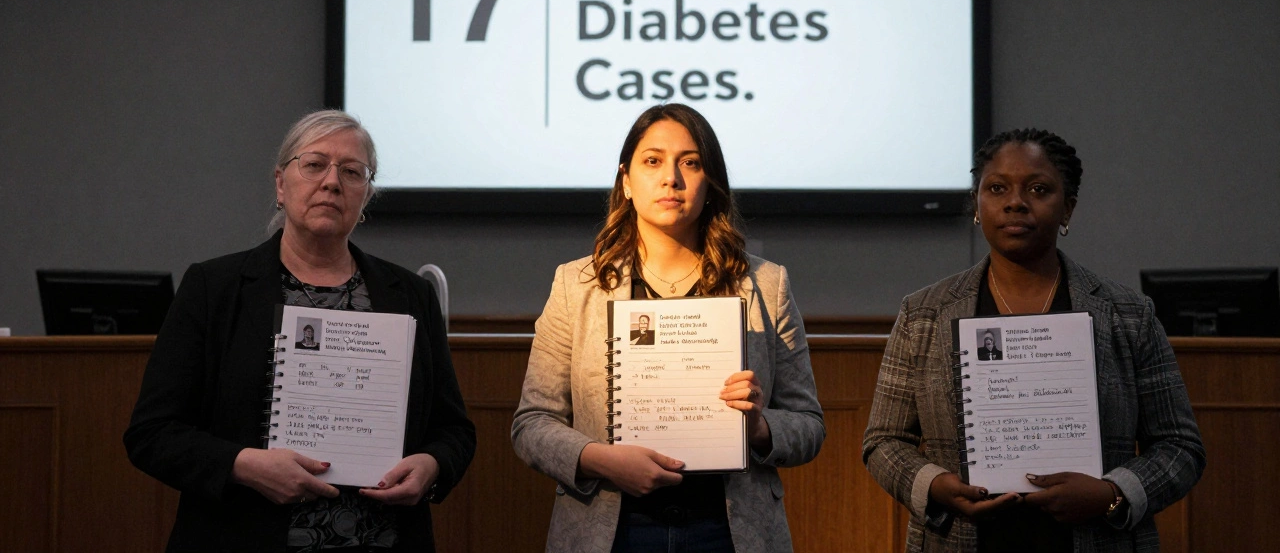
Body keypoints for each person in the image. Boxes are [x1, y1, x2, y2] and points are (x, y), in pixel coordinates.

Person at [125, 110, 476, 553]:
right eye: (314, 164)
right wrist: (243, 464)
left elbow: (454, 431)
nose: (332, 182)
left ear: (365, 196)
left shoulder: (409, 295)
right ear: (280, 184)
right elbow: (152, 433)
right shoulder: (215, 289)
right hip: (241, 536)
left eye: (352, 172)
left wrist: (432, 466)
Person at [862, 128, 1205, 553]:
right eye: (997, 188)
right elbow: (883, 442)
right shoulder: (924, 314)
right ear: (976, 205)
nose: (1015, 202)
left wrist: (1111, 494)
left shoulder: (1128, 315)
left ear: (1068, 210)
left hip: (1098, 539)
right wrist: (936, 485)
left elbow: (1180, 446)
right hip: (960, 541)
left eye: (1038, 189)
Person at [511, 103, 825, 553]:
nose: (671, 179)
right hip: (611, 527)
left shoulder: (767, 285)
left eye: (690, 163)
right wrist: (602, 460)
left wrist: (758, 427)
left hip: (729, 529)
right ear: (626, 180)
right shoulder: (574, 286)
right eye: (652, 161)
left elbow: (809, 425)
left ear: (710, 182)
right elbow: (532, 424)